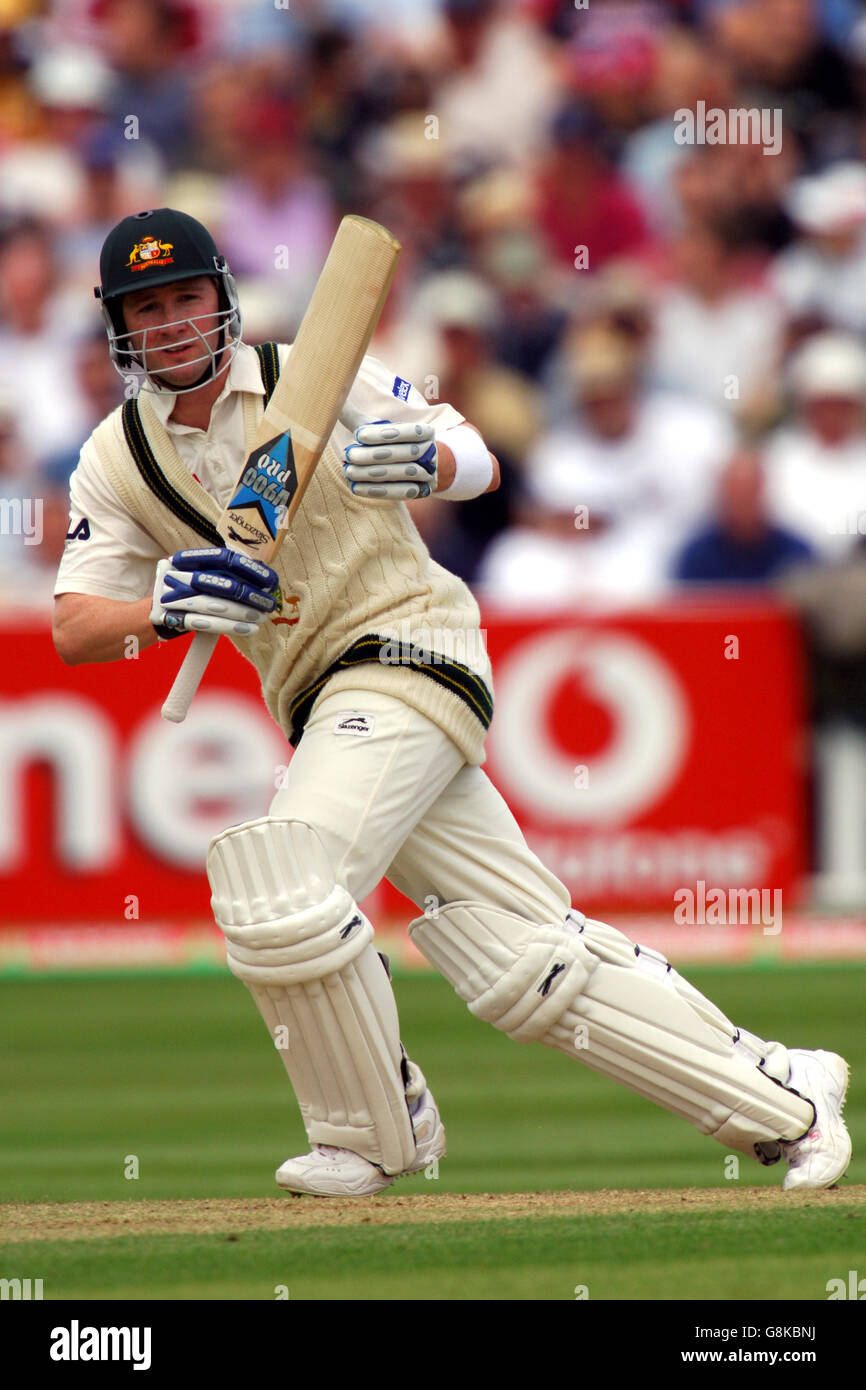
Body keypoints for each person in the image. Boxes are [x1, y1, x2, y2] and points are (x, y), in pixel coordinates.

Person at [52, 208, 851, 1197]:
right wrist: (167, 604)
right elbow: (77, 627)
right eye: (147, 308)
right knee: (523, 963)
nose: (172, 322)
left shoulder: (311, 369)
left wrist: (426, 462)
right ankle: (784, 1092)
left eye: (186, 297)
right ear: (118, 329)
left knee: (284, 880)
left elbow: (471, 450)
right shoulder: (115, 456)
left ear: (221, 296)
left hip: (410, 647)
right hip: (317, 695)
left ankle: (375, 1127)